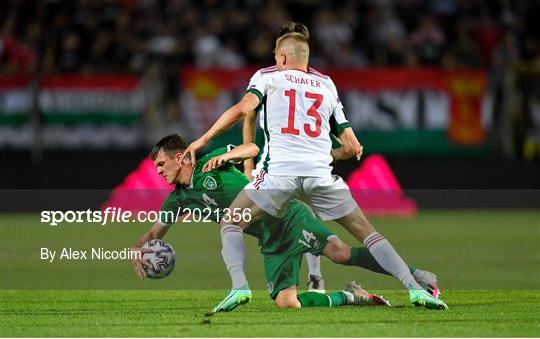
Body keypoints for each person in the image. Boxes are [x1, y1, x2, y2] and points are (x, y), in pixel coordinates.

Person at [182, 22, 448, 310]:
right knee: (369, 233)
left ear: (282, 57)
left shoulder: (268, 76)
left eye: (275, 55)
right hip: (320, 174)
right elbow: (350, 146)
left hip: (279, 174)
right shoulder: (326, 83)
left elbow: (243, 110)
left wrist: (203, 139)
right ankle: (413, 289)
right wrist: (323, 153)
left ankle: (239, 287)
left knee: (232, 221)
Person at [130, 134, 440, 312]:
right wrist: (137, 248)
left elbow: (252, 149)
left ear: (181, 157)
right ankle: (350, 296)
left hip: (289, 216)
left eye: (161, 164)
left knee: (342, 254)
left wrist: (230, 155)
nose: (158, 171)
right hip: (271, 242)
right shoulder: (177, 199)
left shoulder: (213, 161)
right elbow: (156, 231)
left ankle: (414, 275)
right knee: (287, 304)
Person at [243, 23, 326, 293]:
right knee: (294, 215)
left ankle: (312, 275)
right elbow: (250, 117)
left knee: (300, 215)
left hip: (285, 164)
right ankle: (307, 276)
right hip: (282, 161)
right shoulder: (315, 80)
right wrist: (248, 161)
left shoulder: (308, 79)